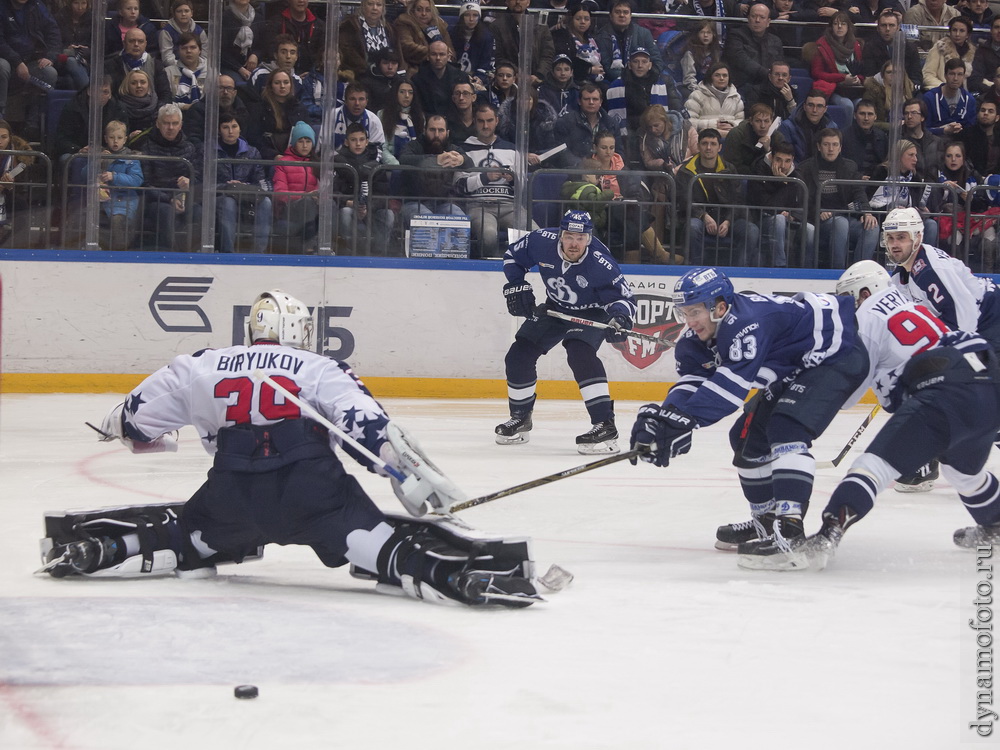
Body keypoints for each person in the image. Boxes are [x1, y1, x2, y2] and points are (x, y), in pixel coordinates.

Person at [40, 289, 539, 608]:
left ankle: (102, 548)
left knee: (186, 538)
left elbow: (126, 423)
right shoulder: (319, 367)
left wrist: (158, 440)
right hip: (313, 497)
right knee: (384, 548)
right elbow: (365, 426)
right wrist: (405, 474)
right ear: (300, 331)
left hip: (231, 496)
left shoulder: (199, 365)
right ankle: (453, 576)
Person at [755, 261, 1000, 570]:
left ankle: (827, 536)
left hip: (944, 389)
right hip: (989, 378)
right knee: (964, 474)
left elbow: (847, 391)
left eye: (849, 297)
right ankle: (995, 524)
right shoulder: (910, 303)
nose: (848, 307)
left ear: (866, 291)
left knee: (872, 467)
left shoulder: (866, 317)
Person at [629, 266, 869, 557]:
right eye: (684, 313)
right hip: (796, 366)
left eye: (695, 312)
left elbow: (730, 389)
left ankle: (790, 532)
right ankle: (766, 523)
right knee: (745, 438)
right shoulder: (697, 341)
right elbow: (694, 381)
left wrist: (685, 420)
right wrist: (664, 418)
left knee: (786, 430)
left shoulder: (746, 323)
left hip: (837, 356)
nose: (689, 322)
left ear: (719, 307)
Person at [496, 210, 637, 453]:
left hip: (592, 312)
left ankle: (605, 425)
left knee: (579, 352)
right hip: (557, 308)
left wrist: (620, 318)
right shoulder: (541, 241)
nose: (574, 243)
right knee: (519, 355)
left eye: (580, 238)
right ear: (560, 235)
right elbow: (512, 256)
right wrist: (516, 283)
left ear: (589, 239)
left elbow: (623, 299)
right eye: (569, 236)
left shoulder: (601, 263)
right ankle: (520, 418)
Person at [455, 101, 531, 258]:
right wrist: (484, 177)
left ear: (496, 121)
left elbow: (524, 187)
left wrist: (512, 179)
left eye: (489, 121)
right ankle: (488, 272)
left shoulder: (511, 149)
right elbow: (459, 186)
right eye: (481, 121)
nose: (485, 126)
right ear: (475, 122)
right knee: (488, 235)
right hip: (479, 206)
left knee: (534, 232)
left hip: (510, 206)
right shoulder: (464, 150)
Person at [796, 128, 879, 268]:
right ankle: (836, 273)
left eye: (835, 145)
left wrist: (867, 212)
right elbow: (803, 198)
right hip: (817, 220)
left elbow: (858, 191)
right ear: (818, 146)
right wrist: (818, 212)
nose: (830, 149)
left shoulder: (849, 166)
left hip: (843, 216)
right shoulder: (806, 168)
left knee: (872, 227)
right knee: (841, 224)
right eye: (826, 144)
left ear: (840, 148)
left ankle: (859, 272)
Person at [677, 128, 761, 266]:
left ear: (720, 147)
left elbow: (737, 200)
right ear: (698, 146)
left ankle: (740, 271)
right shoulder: (686, 170)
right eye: (704, 143)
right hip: (698, 218)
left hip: (727, 219)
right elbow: (684, 200)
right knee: (693, 227)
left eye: (713, 144)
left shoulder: (730, 169)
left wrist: (728, 221)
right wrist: (703, 216)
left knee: (752, 230)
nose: (708, 148)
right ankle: (696, 268)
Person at [141, 103, 201, 252]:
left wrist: (190, 183)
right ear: (158, 124)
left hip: (184, 198)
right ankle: (169, 255)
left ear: (181, 125)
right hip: (158, 200)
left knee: (199, 211)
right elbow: (145, 183)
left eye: (174, 123)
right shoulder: (147, 147)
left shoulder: (190, 148)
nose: (170, 128)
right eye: (166, 123)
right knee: (166, 212)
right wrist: (169, 199)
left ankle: (195, 254)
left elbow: (198, 178)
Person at [334, 122, 397, 254]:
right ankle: (352, 251)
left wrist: (368, 206)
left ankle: (379, 253)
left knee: (388, 215)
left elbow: (383, 194)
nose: (358, 144)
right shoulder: (338, 163)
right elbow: (333, 192)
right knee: (345, 213)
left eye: (361, 140)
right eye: (353, 140)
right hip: (349, 207)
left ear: (367, 142)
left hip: (371, 209)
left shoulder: (377, 164)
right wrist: (349, 203)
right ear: (346, 142)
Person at [398, 113, 470, 226]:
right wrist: (436, 160)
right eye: (432, 130)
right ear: (424, 131)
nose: (436, 135)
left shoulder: (451, 148)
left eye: (441, 130)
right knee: (429, 222)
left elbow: (470, 164)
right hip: (413, 202)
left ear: (448, 133)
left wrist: (461, 159)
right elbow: (404, 159)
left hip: (443, 203)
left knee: (460, 220)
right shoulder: (413, 146)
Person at [216, 113, 272, 254]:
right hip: (221, 196)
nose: (230, 131)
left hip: (247, 196)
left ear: (240, 129)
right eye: (225, 127)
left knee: (266, 202)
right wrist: (227, 187)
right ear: (218, 130)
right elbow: (204, 181)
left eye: (234, 126)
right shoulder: (210, 151)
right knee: (229, 202)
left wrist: (243, 187)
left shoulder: (252, 152)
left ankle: (259, 253)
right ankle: (228, 253)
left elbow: (260, 182)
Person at [869, 138, 939, 248]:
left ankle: (923, 261)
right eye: (911, 155)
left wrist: (920, 211)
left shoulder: (915, 177)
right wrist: (894, 211)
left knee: (931, 225)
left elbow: (916, 203)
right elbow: (872, 202)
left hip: (908, 222)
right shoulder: (882, 172)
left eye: (915, 155)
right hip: (884, 220)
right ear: (899, 155)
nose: (915, 159)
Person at [92, 119, 142, 251]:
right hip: (101, 200)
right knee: (87, 216)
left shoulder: (131, 158)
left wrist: (115, 176)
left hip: (124, 200)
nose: (115, 141)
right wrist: (97, 161)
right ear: (105, 138)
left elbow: (136, 180)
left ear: (125, 139)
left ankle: (118, 252)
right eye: (111, 137)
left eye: (119, 138)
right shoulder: (100, 155)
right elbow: (84, 174)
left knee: (117, 220)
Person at [273, 120, 319, 253]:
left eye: (308, 141)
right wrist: (306, 196)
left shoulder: (316, 163)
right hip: (289, 209)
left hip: (312, 208)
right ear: (294, 143)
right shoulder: (283, 162)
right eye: (301, 141)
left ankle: (326, 245)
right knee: (308, 203)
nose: (305, 145)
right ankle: (309, 246)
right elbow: (280, 193)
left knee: (329, 204)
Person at [553, 83, 624, 167]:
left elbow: (618, 152)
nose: (591, 102)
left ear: (601, 102)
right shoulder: (565, 122)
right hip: (575, 172)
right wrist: (582, 165)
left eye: (595, 99)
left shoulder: (611, 124)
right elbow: (561, 151)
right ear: (579, 101)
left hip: (606, 171)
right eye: (586, 99)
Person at [811, 12, 865, 120]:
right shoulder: (822, 45)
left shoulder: (856, 45)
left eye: (843, 24)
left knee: (862, 105)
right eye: (836, 24)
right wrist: (842, 78)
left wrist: (858, 79)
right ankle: (847, 135)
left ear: (848, 27)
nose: (839, 27)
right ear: (831, 27)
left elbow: (862, 71)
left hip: (854, 90)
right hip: (833, 90)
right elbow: (816, 73)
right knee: (848, 105)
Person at [595, 0, 663, 84]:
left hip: (644, 80)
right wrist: (630, 80)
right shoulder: (601, 36)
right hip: (613, 82)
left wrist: (646, 78)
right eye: (617, 12)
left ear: (630, 16)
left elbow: (657, 62)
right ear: (611, 16)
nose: (622, 15)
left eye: (625, 12)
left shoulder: (644, 33)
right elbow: (607, 67)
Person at [247, 69, 310, 160]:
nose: (282, 86)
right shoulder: (259, 109)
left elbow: (306, 136)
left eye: (286, 82)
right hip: (268, 158)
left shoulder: (300, 108)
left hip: (296, 156)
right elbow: (254, 138)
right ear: (270, 86)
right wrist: (274, 155)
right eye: (277, 83)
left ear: (291, 85)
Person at [722, 3, 784, 94]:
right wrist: (767, 73)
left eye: (762, 17)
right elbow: (740, 59)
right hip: (740, 86)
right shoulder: (735, 35)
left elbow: (779, 65)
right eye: (753, 16)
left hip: (767, 87)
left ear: (768, 22)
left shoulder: (776, 41)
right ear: (748, 18)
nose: (757, 20)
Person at [491, 0, 555, 87]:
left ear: (528, 2)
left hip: (537, 80)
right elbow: (498, 56)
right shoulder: (496, 26)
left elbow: (548, 53)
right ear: (506, 2)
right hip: (508, 80)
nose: (517, 2)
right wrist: (516, 73)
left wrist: (538, 74)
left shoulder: (540, 25)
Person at [859, 9, 923, 92]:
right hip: (879, 91)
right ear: (878, 28)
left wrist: (908, 89)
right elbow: (869, 75)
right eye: (883, 25)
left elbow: (916, 76)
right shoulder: (870, 47)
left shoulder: (910, 48)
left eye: (892, 25)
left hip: (906, 90)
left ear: (898, 28)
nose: (887, 29)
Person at [774, 89, 837, 163]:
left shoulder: (832, 127)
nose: (814, 110)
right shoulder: (788, 126)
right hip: (796, 171)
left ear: (825, 109)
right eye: (810, 105)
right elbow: (784, 158)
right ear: (804, 106)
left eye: (819, 106)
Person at [395, 0, 455, 76]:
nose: (423, 14)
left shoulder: (440, 25)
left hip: (441, 69)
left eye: (428, 10)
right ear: (412, 10)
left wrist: (444, 56)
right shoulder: (404, 23)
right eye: (419, 10)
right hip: (415, 69)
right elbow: (406, 47)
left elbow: (451, 52)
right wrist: (433, 53)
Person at [263, 0, 324, 76]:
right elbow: (270, 51)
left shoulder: (319, 26)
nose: (301, 1)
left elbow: (321, 55)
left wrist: (311, 75)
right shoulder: (276, 22)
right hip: (281, 76)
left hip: (310, 76)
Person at [685, 62, 745, 137]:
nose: (721, 78)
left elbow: (741, 121)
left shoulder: (736, 97)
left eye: (725, 75)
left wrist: (732, 124)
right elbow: (689, 122)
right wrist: (714, 125)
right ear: (710, 77)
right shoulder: (697, 95)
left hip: (731, 138)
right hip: (705, 138)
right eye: (717, 75)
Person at [549, 0, 602, 85]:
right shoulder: (562, 36)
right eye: (578, 19)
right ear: (571, 19)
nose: (582, 22)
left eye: (586, 19)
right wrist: (589, 69)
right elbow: (567, 60)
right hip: (574, 81)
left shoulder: (592, 39)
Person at [922, 57, 977, 138]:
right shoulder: (930, 98)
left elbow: (971, 129)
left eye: (960, 74)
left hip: (960, 143)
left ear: (963, 77)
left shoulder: (969, 100)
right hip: (934, 141)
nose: (955, 78)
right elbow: (923, 130)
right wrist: (943, 130)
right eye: (952, 74)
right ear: (945, 75)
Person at [450, 0, 493, 91]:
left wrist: (479, 77)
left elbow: (485, 62)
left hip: (476, 78)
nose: (471, 19)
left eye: (475, 15)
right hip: (454, 77)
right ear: (461, 17)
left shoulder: (486, 36)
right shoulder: (452, 33)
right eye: (467, 15)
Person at [720, 102, 774, 175]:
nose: (763, 126)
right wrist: (757, 173)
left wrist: (767, 150)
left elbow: (782, 165)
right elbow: (732, 167)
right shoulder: (736, 135)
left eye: (766, 121)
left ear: (771, 121)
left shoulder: (776, 136)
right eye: (758, 121)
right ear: (751, 121)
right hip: (740, 178)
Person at [840, 99, 889, 178]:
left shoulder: (882, 137)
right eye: (862, 114)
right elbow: (840, 165)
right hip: (851, 183)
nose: (866, 118)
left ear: (875, 116)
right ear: (855, 115)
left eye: (870, 114)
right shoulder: (843, 136)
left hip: (876, 183)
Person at [922, 16, 975, 90]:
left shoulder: (972, 52)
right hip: (941, 91)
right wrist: (946, 87)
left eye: (962, 31)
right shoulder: (939, 48)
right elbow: (928, 75)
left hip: (965, 93)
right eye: (954, 30)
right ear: (949, 32)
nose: (957, 34)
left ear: (967, 35)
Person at [378, 74, 424, 158]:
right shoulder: (382, 114)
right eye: (402, 92)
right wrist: (395, 165)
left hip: (414, 162)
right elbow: (382, 146)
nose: (407, 96)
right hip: (390, 163)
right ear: (395, 93)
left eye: (410, 93)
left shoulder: (420, 116)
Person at [219, 0, 262, 83]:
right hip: (230, 66)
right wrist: (239, 68)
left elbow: (263, 44)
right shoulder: (224, 17)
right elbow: (221, 50)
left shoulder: (258, 17)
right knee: (241, 85)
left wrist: (255, 55)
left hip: (254, 66)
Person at [901, 96, 945, 175]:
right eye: (906, 113)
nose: (909, 117)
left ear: (922, 117)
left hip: (933, 186)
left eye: (914, 113)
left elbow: (941, 169)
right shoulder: (899, 141)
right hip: (911, 185)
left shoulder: (936, 142)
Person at [861, 61, 913, 127]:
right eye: (889, 72)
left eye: (897, 72)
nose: (893, 75)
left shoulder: (910, 92)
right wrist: (892, 126)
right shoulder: (873, 92)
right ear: (883, 75)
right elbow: (867, 121)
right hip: (883, 133)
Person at [158, 0, 207, 69]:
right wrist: (184, 67)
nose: (183, 14)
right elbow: (167, 59)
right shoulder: (166, 32)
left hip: (198, 68)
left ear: (191, 13)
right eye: (179, 11)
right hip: (175, 69)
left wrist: (196, 66)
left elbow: (205, 56)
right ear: (174, 13)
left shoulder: (200, 31)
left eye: (186, 11)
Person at [164, 31, 207, 111]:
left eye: (193, 47)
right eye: (184, 48)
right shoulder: (168, 72)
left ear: (200, 50)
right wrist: (184, 107)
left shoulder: (211, 72)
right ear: (178, 51)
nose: (189, 51)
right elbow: (164, 102)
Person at [55, 0, 92, 90]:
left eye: (83, 3)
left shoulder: (93, 19)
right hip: (62, 59)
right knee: (71, 60)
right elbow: (55, 42)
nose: (80, 7)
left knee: (70, 81)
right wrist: (67, 49)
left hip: (85, 60)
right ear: (69, 3)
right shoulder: (59, 18)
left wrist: (84, 50)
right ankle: (89, 92)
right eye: (76, 3)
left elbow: (98, 46)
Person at [680, 19, 722, 97]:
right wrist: (700, 92)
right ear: (697, 34)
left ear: (714, 35)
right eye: (702, 32)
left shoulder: (717, 52)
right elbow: (689, 78)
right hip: (694, 89)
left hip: (712, 88)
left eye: (709, 32)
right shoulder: (690, 53)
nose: (705, 35)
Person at [961, 98, 1000, 177]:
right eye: (982, 110)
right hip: (971, 180)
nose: (985, 113)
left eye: (990, 111)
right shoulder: (966, 135)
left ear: (997, 118)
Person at [361, 47, 405, 115]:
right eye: (385, 63)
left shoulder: (402, 82)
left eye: (394, 63)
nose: (390, 67)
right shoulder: (366, 83)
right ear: (379, 64)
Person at [971, 17, 1000, 96]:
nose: (999, 31)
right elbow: (975, 80)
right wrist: (995, 91)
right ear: (991, 30)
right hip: (988, 96)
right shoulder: (981, 51)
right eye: (996, 27)